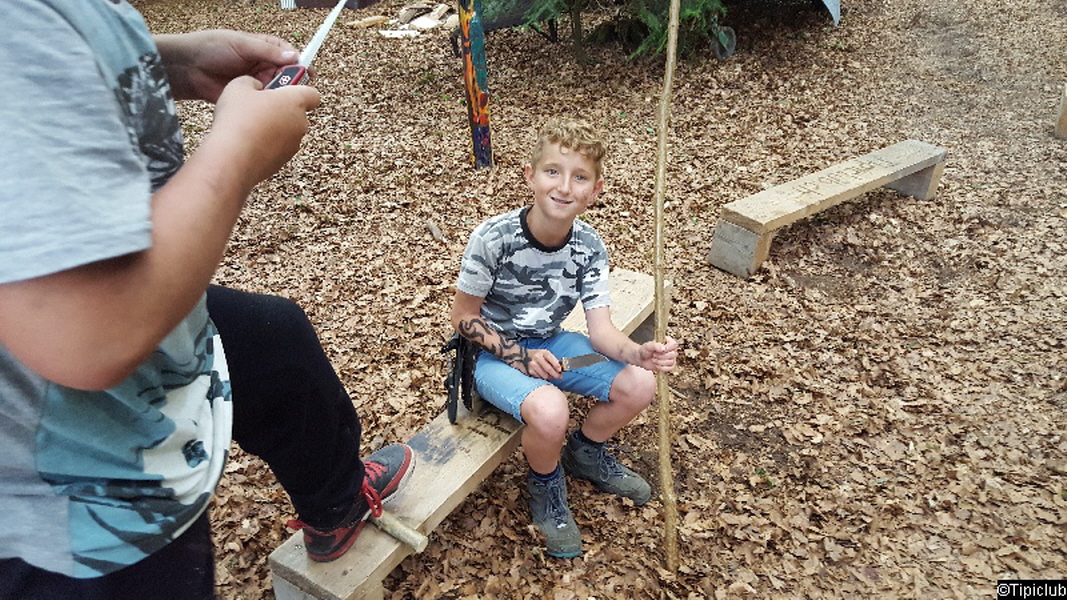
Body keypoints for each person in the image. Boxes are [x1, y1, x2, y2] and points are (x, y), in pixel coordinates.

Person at [0, 3, 412, 598]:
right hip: (69, 515)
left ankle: (337, 504)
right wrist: (237, 152)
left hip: (101, 315)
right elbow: (93, 335)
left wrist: (172, 61)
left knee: (273, 340)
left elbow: (47, 60)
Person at [450, 118, 679, 558]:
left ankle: (585, 453)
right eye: (553, 171)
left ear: (595, 190)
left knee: (639, 384)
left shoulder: (589, 246)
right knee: (551, 409)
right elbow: (463, 317)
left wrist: (638, 353)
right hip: (493, 357)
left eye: (580, 177)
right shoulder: (494, 238)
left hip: (555, 346)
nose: (564, 187)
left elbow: (602, 332)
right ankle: (546, 485)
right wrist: (518, 356)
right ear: (530, 176)